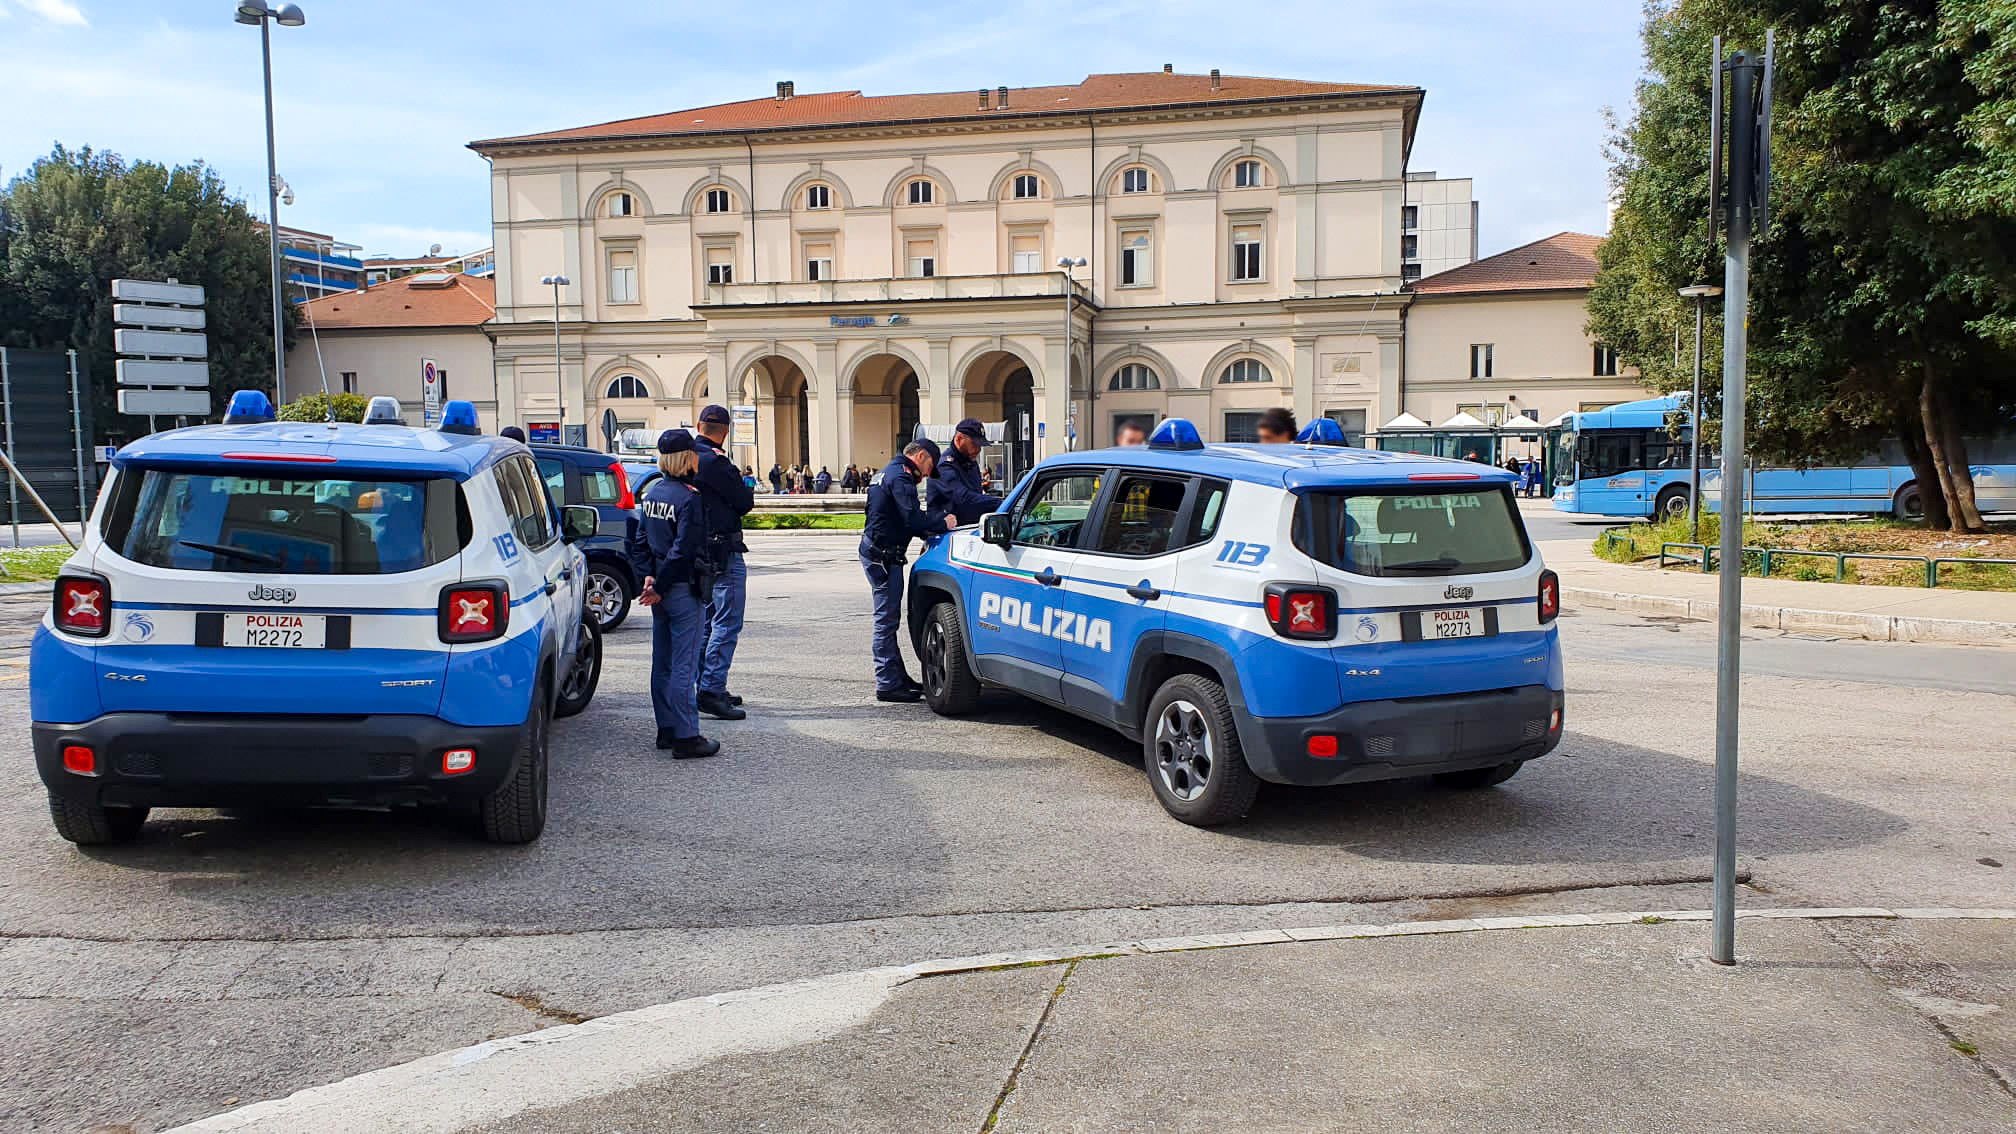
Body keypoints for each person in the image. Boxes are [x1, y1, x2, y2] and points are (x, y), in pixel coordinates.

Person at [626, 430, 719, 759]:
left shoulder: (652, 494)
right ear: (687, 457)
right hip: (680, 588)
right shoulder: (688, 497)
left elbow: (639, 543)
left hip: (660, 589)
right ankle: (687, 736)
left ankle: (666, 728)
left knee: (662, 663)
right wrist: (661, 586)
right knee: (685, 664)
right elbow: (683, 552)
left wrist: (649, 580)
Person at [861, 438, 955, 703]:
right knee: (886, 621)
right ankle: (887, 683)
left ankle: (897, 677)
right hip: (883, 557)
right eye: (929, 467)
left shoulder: (888, 472)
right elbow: (912, 518)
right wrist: (942, 523)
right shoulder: (901, 477)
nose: (927, 475)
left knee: (889, 620)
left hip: (879, 553)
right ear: (921, 456)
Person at [691, 405, 755, 722]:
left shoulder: (686, 457)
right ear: (725, 431)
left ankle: (705, 683)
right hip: (723, 550)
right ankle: (712, 690)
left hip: (699, 550)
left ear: (698, 425)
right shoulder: (716, 462)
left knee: (706, 622)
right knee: (726, 622)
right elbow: (745, 502)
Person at [929, 417, 1004, 526]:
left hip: (969, 528)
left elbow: (976, 495)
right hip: (949, 533)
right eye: (974, 444)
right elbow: (963, 499)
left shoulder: (970, 462)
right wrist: (1000, 502)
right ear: (959, 439)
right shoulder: (944, 466)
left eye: (980, 446)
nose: (978, 450)